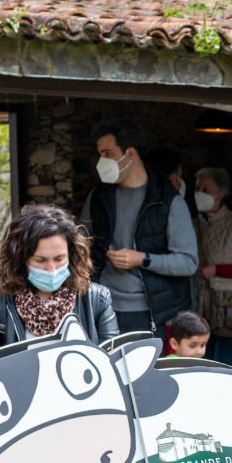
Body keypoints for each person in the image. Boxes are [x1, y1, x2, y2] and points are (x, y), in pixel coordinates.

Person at [80, 119, 198, 335]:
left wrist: (142, 259)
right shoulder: (97, 198)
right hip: (102, 307)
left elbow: (188, 263)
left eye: (107, 154)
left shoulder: (169, 202)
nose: (101, 162)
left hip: (151, 312)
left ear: (130, 154)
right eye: (100, 154)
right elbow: (80, 245)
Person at [0, 205, 119, 352]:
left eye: (59, 258)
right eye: (40, 260)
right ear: (21, 259)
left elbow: (110, 361)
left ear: (71, 255)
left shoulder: (97, 299)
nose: (52, 269)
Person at [192, 167, 232, 368]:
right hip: (200, 307)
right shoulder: (194, 223)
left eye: (205, 188)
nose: (199, 192)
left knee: (227, 365)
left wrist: (216, 270)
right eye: (197, 188)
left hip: (229, 308)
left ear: (220, 193)